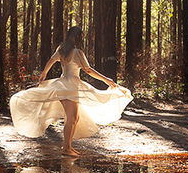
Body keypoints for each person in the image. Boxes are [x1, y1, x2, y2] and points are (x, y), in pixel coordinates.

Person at [9, 26, 132, 156]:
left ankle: (68, 147)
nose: (80, 39)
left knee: (74, 117)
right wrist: (106, 80)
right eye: (80, 36)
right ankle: (66, 148)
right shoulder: (77, 52)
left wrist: (44, 73)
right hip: (70, 86)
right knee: (72, 118)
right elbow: (88, 70)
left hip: (64, 85)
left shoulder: (62, 50)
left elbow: (51, 60)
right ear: (75, 37)